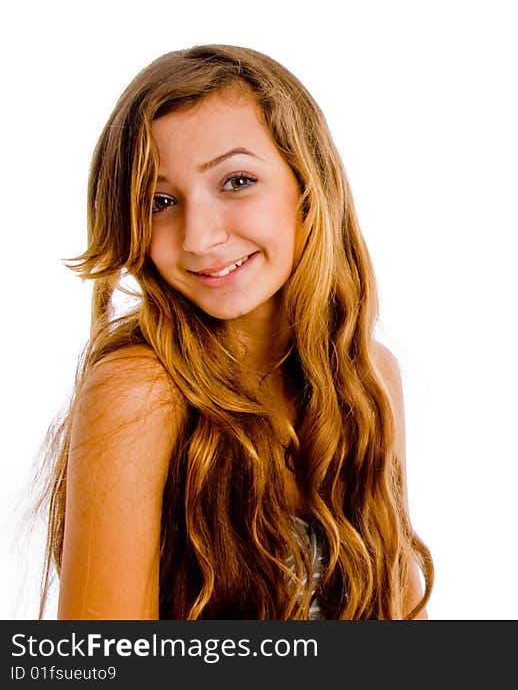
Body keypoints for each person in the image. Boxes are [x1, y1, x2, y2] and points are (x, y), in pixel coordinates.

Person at [36, 44, 433, 620]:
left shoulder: (368, 376)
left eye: (236, 181)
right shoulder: (139, 392)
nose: (198, 237)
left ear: (305, 183)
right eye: (160, 201)